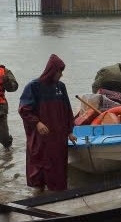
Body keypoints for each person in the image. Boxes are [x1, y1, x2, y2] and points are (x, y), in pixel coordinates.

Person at [18, 54, 77, 191]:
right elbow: (24, 110)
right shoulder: (33, 86)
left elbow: (67, 110)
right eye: (59, 71)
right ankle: (38, 194)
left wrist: (69, 131)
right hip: (41, 137)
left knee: (57, 167)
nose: (61, 75)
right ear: (52, 70)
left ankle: (56, 196)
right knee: (39, 164)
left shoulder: (61, 87)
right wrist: (37, 123)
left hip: (58, 137)